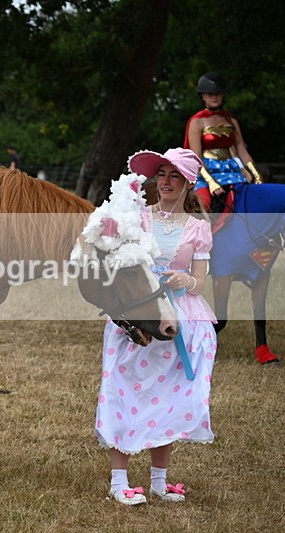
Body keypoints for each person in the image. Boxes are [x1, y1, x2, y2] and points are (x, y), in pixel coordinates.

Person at [95, 147, 217, 505]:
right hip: (139, 310)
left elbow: (200, 282)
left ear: (187, 183)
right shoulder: (138, 219)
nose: (164, 181)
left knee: (166, 399)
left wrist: (184, 280)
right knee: (125, 389)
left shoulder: (197, 228)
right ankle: (119, 481)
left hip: (180, 316)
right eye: (161, 174)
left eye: (173, 175)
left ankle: (159, 482)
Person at [184, 72, 263, 222]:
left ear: (223, 94)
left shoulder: (231, 120)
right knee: (203, 204)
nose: (214, 97)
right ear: (203, 96)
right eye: (210, 93)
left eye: (218, 93)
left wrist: (256, 175)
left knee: (248, 202)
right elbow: (196, 157)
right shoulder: (196, 121)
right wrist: (211, 182)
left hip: (233, 172)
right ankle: (198, 241)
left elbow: (241, 150)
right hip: (205, 173)